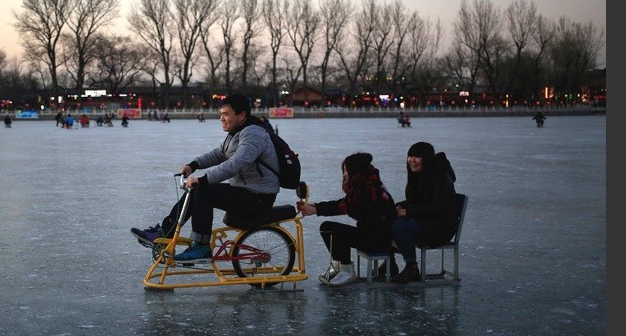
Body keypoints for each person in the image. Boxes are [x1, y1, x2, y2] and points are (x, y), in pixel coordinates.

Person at [130, 93, 280, 263]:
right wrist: (193, 165)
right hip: (246, 192)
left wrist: (203, 180)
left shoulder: (253, 134)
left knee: (204, 191)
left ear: (242, 115)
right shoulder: (237, 132)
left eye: (226, 114)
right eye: (221, 114)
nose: (221, 118)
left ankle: (201, 247)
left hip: (259, 198)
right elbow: (218, 154)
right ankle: (165, 231)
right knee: (197, 190)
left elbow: (237, 163)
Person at [296, 152, 397, 286]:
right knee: (327, 228)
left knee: (336, 231)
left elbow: (347, 206)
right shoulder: (366, 183)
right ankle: (338, 267)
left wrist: (315, 209)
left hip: (378, 239)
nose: (344, 174)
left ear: (355, 170)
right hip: (372, 233)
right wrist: (315, 207)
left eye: (346, 170)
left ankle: (347, 270)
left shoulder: (369, 188)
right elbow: (346, 203)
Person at [390, 142, 459, 284]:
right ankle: (389, 264)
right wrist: (400, 206)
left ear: (426, 158)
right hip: (426, 222)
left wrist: (408, 211)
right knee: (388, 219)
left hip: (440, 228)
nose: (411, 160)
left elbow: (439, 207)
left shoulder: (440, 177)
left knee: (399, 226)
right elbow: (420, 201)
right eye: (410, 156)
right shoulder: (421, 175)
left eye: (417, 156)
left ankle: (411, 267)